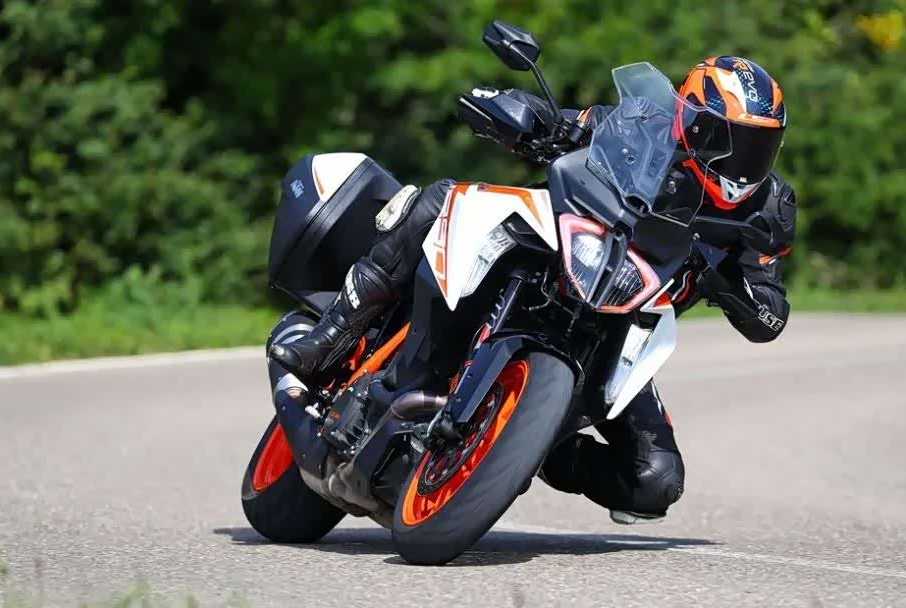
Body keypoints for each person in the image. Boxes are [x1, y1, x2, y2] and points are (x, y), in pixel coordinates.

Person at [269, 56, 797, 523]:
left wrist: (731, 286)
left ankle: (527, 444)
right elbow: (573, 124)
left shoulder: (768, 211)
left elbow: (770, 314)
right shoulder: (643, 123)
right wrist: (522, 115)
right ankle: (331, 336)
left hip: (624, 325)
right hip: (559, 251)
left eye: (760, 146)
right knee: (442, 199)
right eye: (732, 139)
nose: (744, 162)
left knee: (655, 478)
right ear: (692, 120)